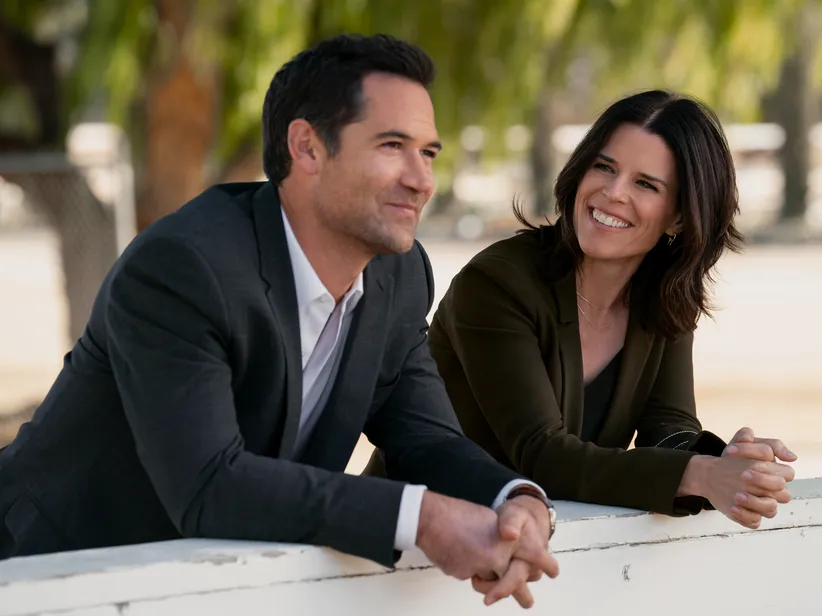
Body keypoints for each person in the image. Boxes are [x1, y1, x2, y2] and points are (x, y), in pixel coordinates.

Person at [0, 34, 558, 609]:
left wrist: (515, 500)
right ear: (307, 148)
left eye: (429, 153)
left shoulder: (399, 276)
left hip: (216, 585)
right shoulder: (186, 266)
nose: (422, 180)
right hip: (48, 574)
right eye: (393, 145)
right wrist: (421, 519)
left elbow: (426, 438)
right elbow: (209, 485)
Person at [369, 90, 796, 529]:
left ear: (680, 217)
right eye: (604, 167)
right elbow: (541, 455)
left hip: (539, 542)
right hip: (412, 540)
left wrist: (727, 464)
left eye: (645, 184)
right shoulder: (497, 284)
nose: (612, 192)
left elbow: (668, 428)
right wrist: (700, 475)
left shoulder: (664, 295)